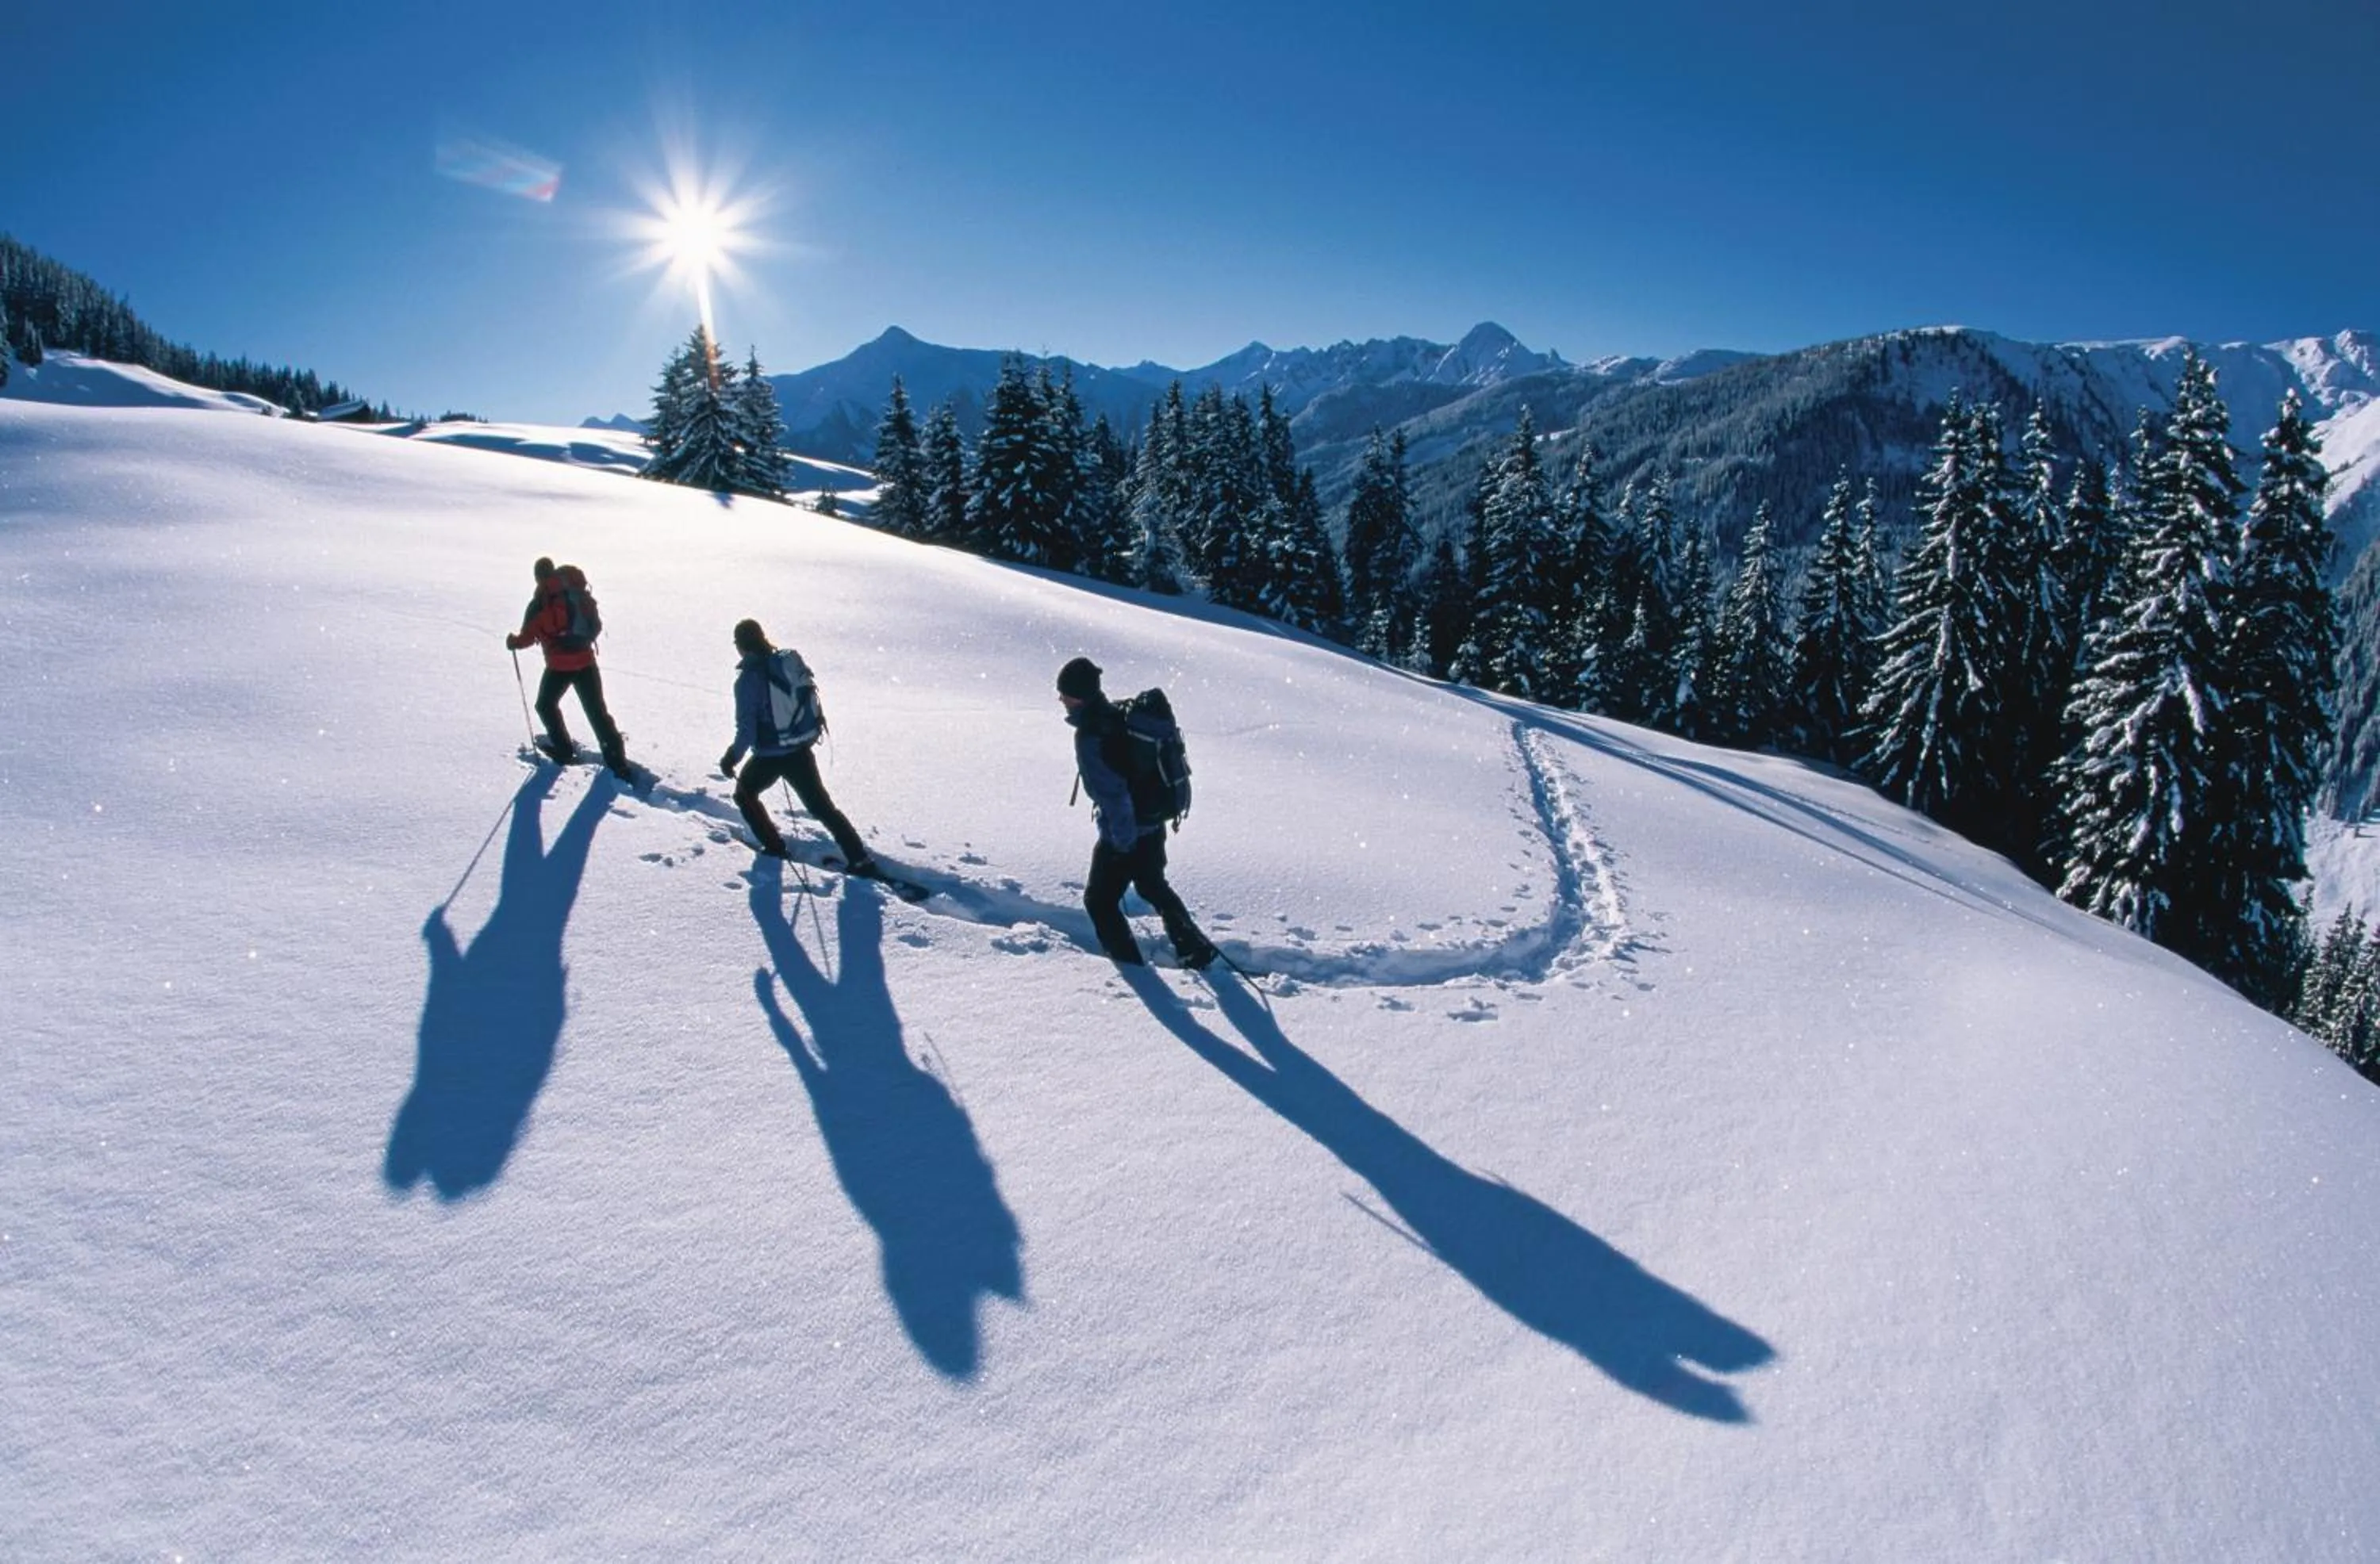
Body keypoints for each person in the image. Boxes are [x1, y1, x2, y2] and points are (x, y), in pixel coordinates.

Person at [1058, 656, 1217, 969]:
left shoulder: (1091, 735)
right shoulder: (1120, 715)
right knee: (1152, 884)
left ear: (1078, 697)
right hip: (1153, 821)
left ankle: (1130, 965)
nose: (1061, 699)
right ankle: (1194, 948)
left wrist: (1122, 844)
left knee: (1099, 901)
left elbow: (1114, 795)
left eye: (1064, 693)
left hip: (1126, 831)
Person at [720, 618, 877, 873]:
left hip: (769, 756)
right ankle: (859, 858)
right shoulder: (784, 663)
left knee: (744, 795)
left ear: (740, 646)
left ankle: (774, 847)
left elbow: (747, 730)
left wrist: (731, 758)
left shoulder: (747, 680)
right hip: (799, 750)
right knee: (822, 808)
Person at [505, 556, 632, 780]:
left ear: (537, 577)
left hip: (560, 666)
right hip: (586, 661)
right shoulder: (576, 592)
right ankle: (618, 763)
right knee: (597, 712)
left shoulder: (540, 603)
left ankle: (563, 749)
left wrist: (513, 642)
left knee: (545, 705)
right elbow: (596, 625)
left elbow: (527, 637)